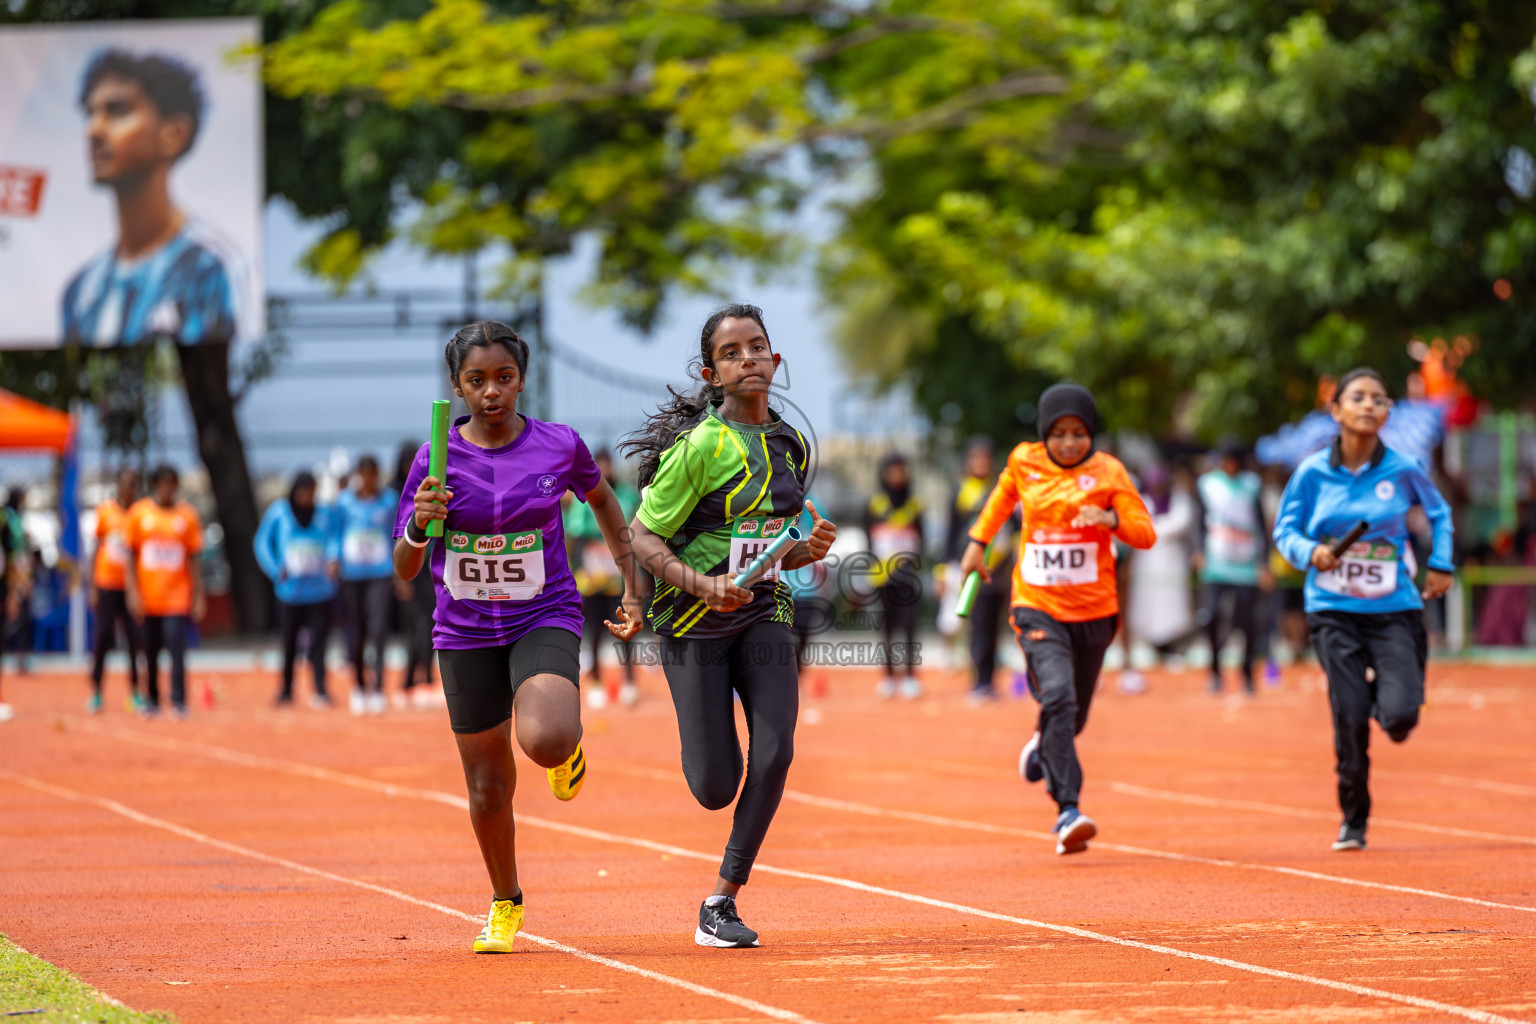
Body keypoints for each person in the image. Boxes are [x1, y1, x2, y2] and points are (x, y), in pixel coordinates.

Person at [393, 320, 642, 954]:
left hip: (543, 613)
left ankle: (568, 749)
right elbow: (404, 567)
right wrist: (421, 526)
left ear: (522, 380)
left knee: (546, 739)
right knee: (486, 783)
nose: (492, 392)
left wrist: (632, 582)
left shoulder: (559, 446)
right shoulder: (435, 459)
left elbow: (607, 506)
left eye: (504, 378)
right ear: (456, 387)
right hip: (465, 629)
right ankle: (505, 901)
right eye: (476, 381)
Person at [623, 303, 836, 948]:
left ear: (776, 361)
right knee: (716, 785)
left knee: (776, 753)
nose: (748, 359)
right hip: (691, 621)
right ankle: (703, 729)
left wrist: (808, 549)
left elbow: (778, 545)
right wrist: (702, 585)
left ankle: (721, 900)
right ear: (711, 372)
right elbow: (641, 535)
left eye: (758, 348)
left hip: (764, 610)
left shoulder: (790, 444)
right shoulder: (700, 448)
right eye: (732, 352)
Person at [961, 383, 1156, 855]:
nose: (1070, 443)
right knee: (1061, 698)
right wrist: (976, 544)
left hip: (1095, 611)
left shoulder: (1108, 471)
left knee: (1075, 715)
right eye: (1060, 433)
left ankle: (1043, 744)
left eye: (1079, 433)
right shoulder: (1024, 461)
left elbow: (1145, 533)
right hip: (1038, 605)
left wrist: (1111, 520)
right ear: (1045, 434)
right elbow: (1000, 502)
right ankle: (1068, 808)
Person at [1273, 368, 1454, 852]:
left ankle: (1392, 696)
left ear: (1388, 412)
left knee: (1399, 719)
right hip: (1333, 610)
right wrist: (1311, 552)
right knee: (1350, 713)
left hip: (1395, 608)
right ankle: (1354, 817)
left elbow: (1438, 513)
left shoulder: (1404, 467)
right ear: (1336, 410)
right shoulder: (1311, 472)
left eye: (1379, 399)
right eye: (1358, 397)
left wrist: (1439, 562)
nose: (1369, 405)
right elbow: (1285, 531)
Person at [63, 49, 242, 346]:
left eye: (117, 111)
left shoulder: (218, 267)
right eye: (90, 114)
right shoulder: (81, 291)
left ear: (173, 134)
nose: (93, 131)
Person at [1193, 438, 1274, 693]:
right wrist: (1198, 551)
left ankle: (1247, 673)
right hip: (1216, 562)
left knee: (1248, 619)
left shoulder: (1252, 484)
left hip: (1246, 564)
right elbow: (1199, 522)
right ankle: (1215, 671)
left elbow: (1262, 526)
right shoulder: (1207, 484)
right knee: (1211, 616)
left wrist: (1263, 564)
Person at [124, 465, 205, 719]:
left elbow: (193, 559)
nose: (168, 489)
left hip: (177, 597)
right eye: (163, 484)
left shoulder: (187, 516)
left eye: (172, 484)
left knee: (177, 649)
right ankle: (151, 698)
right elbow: (130, 557)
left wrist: (198, 595)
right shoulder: (139, 514)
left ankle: (179, 699)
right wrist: (132, 592)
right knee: (149, 650)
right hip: (148, 597)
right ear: (155, 485)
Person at [564, 449, 642, 709]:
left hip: (619, 573)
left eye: (609, 463)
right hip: (592, 573)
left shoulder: (628, 495)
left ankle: (630, 681)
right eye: (601, 464)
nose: (606, 469)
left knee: (628, 626)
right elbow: (575, 531)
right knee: (595, 629)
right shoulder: (582, 498)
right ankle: (596, 681)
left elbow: (636, 530)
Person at [255, 471, 339, 709]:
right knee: (289, 642)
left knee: (320, 644)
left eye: (312, 492)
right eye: (304, 491)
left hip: (320, 590)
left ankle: (321, 689)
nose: (307, 497)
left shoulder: (324, 514)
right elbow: (262, 542)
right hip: (290, 591)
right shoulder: (279, 512)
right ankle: (285, 690)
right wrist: (274, 568)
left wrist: (334, 558)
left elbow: (334, 539)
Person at [942, 438, 1016, 703]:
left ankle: (991, 680)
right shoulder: (961, 491)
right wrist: (944, 568)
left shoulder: (1002, 491)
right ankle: (979, 682)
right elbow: (950, 533)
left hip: (1000, 570)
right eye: (976, 458)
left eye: (985, 458)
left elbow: (1016, 527)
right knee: (978, 627)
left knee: (997, 628)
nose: (981, 463)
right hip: (973, 569)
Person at [1122, 463, 1196, 691]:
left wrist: (1155, 530)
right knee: (1148, 605)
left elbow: (1180, 523)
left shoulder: (1180, 500)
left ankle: (1172, 647)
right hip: (1147, 563)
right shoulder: (1142, 501)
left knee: (1173, 604)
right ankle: (1152, 646)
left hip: (1172, 562)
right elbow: (1137, 526)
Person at [336, 455, 399, 714]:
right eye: (364, 475)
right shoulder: (344, 502)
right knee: (357, 630)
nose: (368, 480)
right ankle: (359, 686)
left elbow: (396, 535)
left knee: (379, 628)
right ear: (357, 475)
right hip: (352, 574)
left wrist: (399, 571)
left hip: (381, 572)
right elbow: (335, 533)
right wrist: (333, 558)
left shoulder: (389, 501)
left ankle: (379, 688)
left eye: (373, 474)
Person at [866, 453, 925, 699]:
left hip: (908, 577)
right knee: (888, 628)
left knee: (910, 627)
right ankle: (889, 677)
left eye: (901, 470)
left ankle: (910, 677)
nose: (897, 475)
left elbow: (922, 540)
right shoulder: (875, 505)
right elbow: (868, 540)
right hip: (882, 577)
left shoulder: (915, 505)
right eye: (892, 470)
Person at [87, 467, 143, 713]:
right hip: (107, 583)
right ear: (118, 486)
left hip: (131, 587)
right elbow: (95, 549)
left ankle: (135, 692)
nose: (129, 488)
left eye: (134, 484)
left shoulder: (141, 514)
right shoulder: (105, 512)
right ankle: (97, 690)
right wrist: (92, 586)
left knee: (133, 639)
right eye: (126, 483)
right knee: (104, 636)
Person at [392, 442, 438, 707]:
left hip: (430, 567)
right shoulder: (396, 495)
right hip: (408, 570)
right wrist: (398, 577)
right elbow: (394, 538)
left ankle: (427, 677)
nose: (412, 468)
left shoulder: (433, 489)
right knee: (414, 626)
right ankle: (410, 679)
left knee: (430, 624)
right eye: (407, 462)